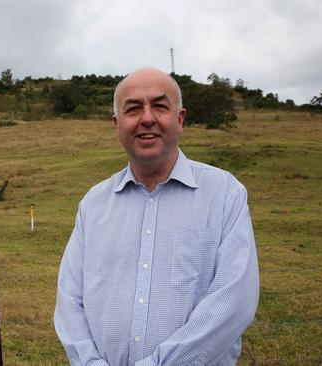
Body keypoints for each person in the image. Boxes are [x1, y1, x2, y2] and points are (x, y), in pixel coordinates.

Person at [54, 67, 259, 366]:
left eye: (160, 106)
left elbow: (234, 302)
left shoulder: (224, 194)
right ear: (117, 123)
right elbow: (69, 299)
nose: (146, 118)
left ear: (180, 119)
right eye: (133, 108)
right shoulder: (93, 204)